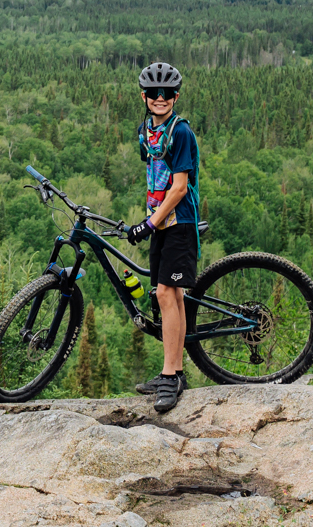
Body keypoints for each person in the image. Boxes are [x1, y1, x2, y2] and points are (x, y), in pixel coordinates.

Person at [125, 61, 199, 412]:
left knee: (168, 294)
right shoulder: (148, 131)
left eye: (166, 94)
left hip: (178, 222)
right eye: (153, 93)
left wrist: (149, 224)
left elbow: (180, 188)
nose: (159, 98)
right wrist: (150, 220)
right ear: (144, 96)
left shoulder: (180, 132)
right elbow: (154, 175)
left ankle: (171, 377)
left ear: (175, 96)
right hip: (160, 221)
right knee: (168, 295)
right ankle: (175, 370)